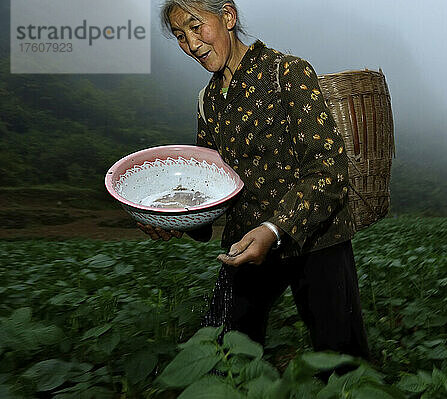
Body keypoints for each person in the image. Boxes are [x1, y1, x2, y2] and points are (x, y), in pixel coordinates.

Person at [139, 0, 370, 360]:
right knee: (230, 351)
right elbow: (211, 188)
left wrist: (275, 228)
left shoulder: (287, 73)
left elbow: (329, 168)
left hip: (318, 238)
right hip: (247, 243)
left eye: (196, 26)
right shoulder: (208, 101)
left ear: (227, 16)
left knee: (341, 358)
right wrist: (174, 218)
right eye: (180, 36)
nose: (192, 44)